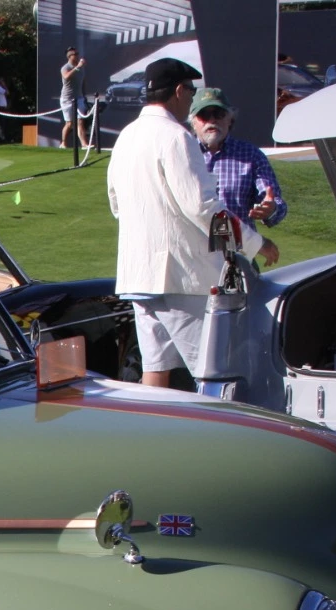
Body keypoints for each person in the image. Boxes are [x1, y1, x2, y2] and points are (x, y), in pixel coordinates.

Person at [105, 58, 270, 388]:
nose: (192, 99)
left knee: (155, 368)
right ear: (179, 91)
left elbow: (116, 205)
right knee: (211, 372)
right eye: (191, 92)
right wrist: (256, 243)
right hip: (179, 276)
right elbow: (204, 207)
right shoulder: (176, 137)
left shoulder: (125, 137)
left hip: (137, 275)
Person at [189, 87, 287, 238]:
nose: (212, 120)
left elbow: (275, 202)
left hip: (239, 249)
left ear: (230, 119)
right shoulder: (184, 153)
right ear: (193, 122)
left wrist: (270, 209)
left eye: (218, 114)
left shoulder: (251, 155)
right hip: (195, 252)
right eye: (204, 115)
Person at [59, 47, 90, 149]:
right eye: (75, 54)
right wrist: (77, 67)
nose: (77, 56)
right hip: (67, 99)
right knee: (69, 123)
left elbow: (83, 83)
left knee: (80, 120)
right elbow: (66, 76)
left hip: (79, 98)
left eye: (77, 54)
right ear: (69, 56)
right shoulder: (65, 67)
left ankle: (84, 144)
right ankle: (63, 143)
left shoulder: (81, 69)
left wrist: (84, 96)